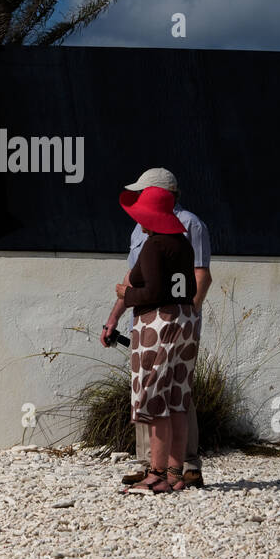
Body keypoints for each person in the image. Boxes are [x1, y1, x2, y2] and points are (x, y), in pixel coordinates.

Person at [102, 167, 212, 489]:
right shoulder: (157, 235)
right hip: (165, 319)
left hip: (161, 322)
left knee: (155, 398)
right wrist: (115, 318)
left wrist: (183, 312)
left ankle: (166, 471)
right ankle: (163, 468)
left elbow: (196, 277)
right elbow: (139, 277)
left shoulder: (187, 226)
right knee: (172, 396)